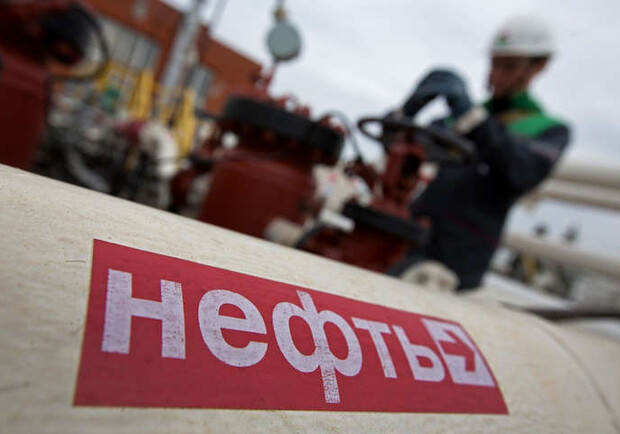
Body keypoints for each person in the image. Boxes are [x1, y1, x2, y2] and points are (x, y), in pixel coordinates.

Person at [390, 15, 570, 290]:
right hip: (409, 238)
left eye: (509, 65)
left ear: (538, 66)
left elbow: (522, 172)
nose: (496, 73)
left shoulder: (549, 130)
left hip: (459, 260)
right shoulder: (463, 117)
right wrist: (404, 114)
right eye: (495, 62)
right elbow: (404, 146)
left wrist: (474, 119)